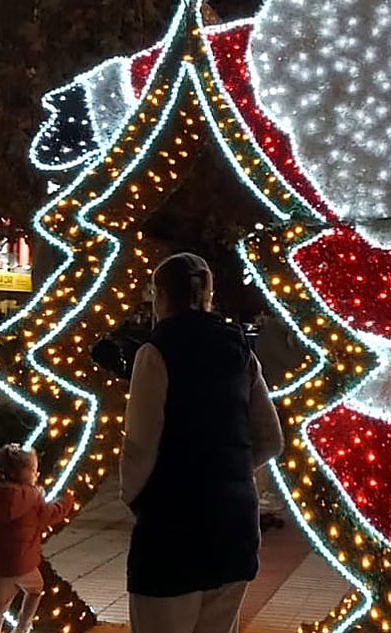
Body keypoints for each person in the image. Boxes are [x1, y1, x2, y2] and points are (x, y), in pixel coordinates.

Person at [120, 253, 284, 633]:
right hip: (234, 526)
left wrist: (134, 496)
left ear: (160, 296)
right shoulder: (240, 349)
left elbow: (140, 445)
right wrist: (230, 472)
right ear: (209, 294)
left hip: (171, 529)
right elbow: (272, 440)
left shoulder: (155, 352)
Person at [0, 444, 75, 633]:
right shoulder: (33, 498)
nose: (37, 474)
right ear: (23, 473)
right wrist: (65, 502)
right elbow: (49, 516)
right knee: (36, 589)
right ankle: (22, 627)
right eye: (34, 470)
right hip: (21, 563)